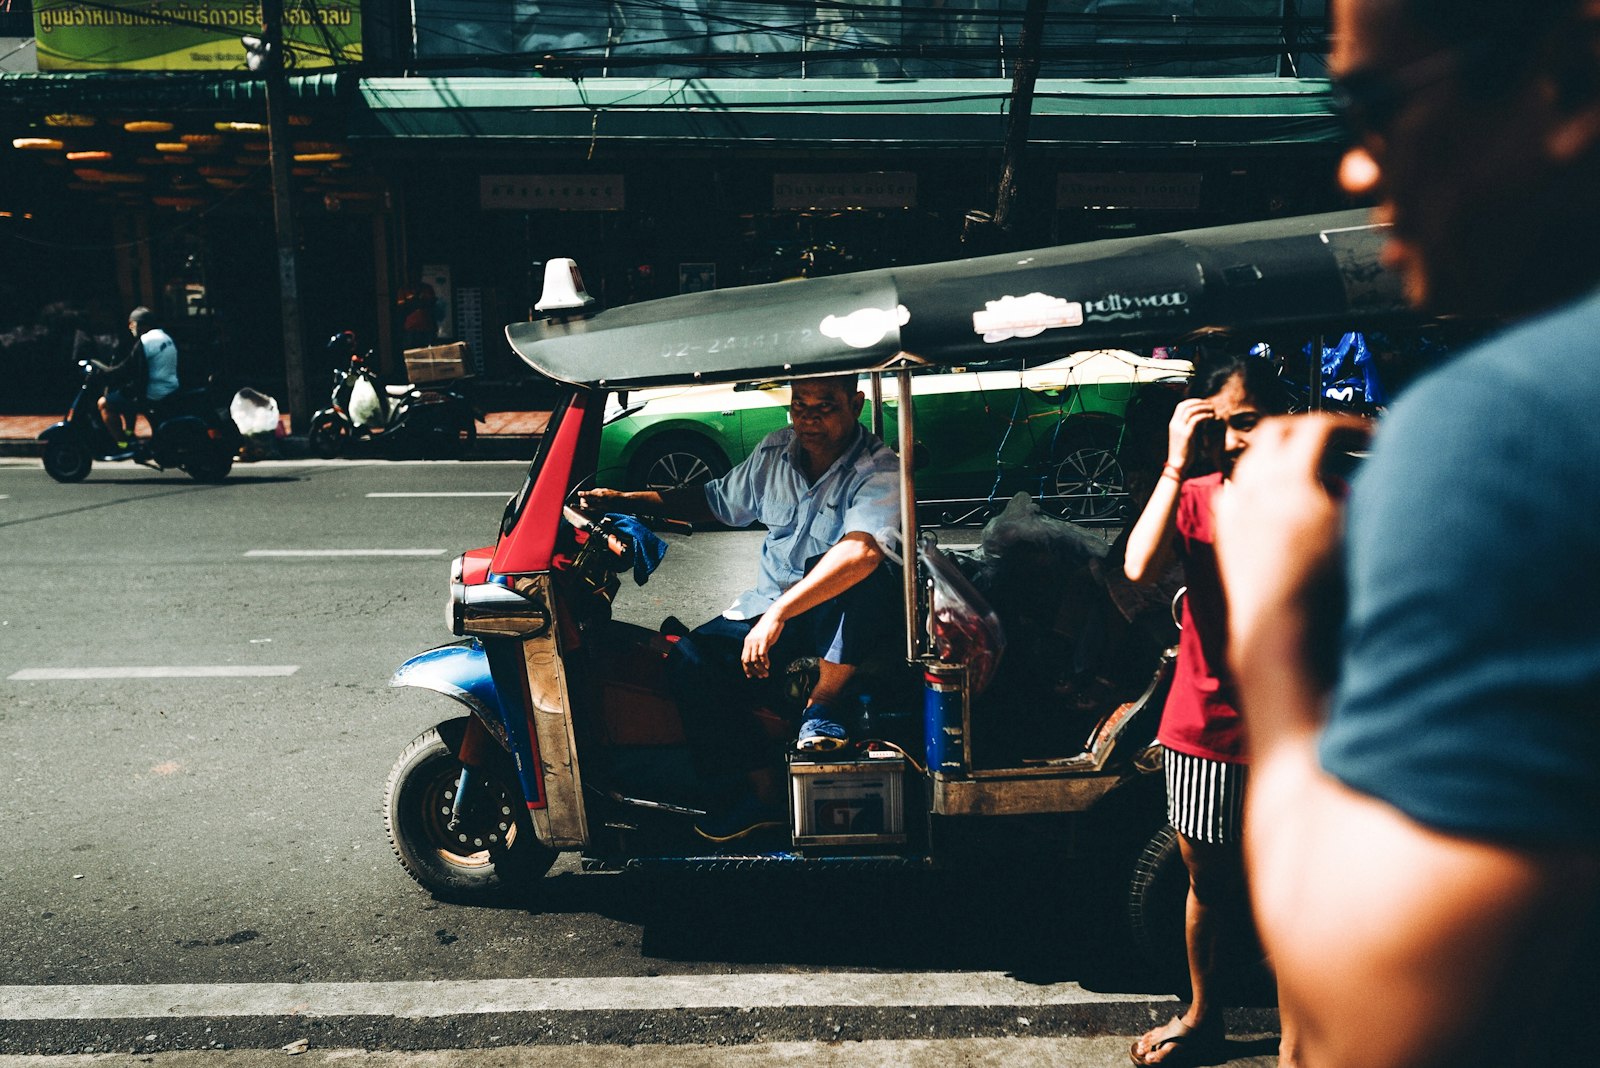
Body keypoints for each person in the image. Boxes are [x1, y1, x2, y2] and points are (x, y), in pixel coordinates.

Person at [1211, 1, 1600, 1065]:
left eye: (1374, 107)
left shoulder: (1506, 428)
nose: (1352, 170)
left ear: (1562, 77)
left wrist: (1272, 615)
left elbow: (1391, 1017)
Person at [580, 374, 902, 841]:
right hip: (771, 607)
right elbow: (714, 501)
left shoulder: (878, 467)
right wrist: (625, 500)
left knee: (858, 572)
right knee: (690, 659)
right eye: (800, 404)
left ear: (856, 404)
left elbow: (862, 553)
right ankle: (761, 793)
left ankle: (824, 703)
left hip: (841, 615)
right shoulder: (775, 452)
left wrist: (777, 616)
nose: (809, 417)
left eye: (825, 406)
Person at [1122, 354, 1297, 1068]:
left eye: (1248, 423)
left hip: (1292, 725)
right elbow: (1138, 567)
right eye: (1217, 426)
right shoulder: (1192, 493)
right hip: (1203, 724)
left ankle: (1297, 1037)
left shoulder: (1316, 492)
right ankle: (1202, 1016)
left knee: (1295, 886)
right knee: (1207, 884)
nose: (1231, 441)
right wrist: (1172, 462)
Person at [98, 306, 179, 446]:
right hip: (169, 388)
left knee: (104, 403)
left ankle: (122, 445)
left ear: (141, 324)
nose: (130, 327)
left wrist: (104, 373)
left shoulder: (146, 341)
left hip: (153, 393)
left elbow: (128, 368)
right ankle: (130, 433)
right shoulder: (165, 337)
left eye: (132, 323)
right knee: (125, 394)